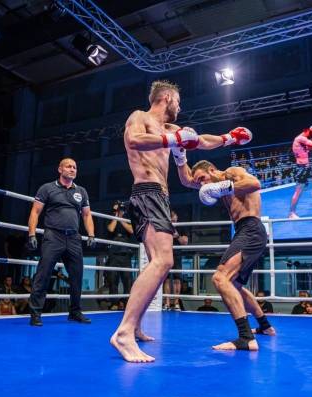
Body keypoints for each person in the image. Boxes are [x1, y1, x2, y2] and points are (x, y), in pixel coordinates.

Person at [110, 80, 253, 363]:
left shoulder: (172, 131)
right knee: (163, 261)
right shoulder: (140, 117)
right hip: (146, 192)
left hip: (159, 197)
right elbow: (134, 140)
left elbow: (200, 145)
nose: (180, 106)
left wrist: (229, 138)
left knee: (157, 265)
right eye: (178, 101)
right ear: (166, 97)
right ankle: (124, 333)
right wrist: (172, 140)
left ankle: (134, 326)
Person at [174, 158, 276, 352]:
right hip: (244, 231)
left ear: (212, 170)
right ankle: (265, 326)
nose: (202, 184)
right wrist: (180, 156)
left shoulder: (231, 173)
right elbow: (186, 181)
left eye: (203, 178)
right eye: (200, 181)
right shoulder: (211, 185)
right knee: (235, 284)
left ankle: (246, 338)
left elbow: (255, 183)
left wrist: (224, 188)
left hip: (251, 229)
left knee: (220, 278)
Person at [27, 158, 95, 327]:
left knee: (77, 276)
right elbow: (35, 212)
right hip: (53, 236)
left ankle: (75, 312)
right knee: (43, 274)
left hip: (73, 238)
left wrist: (91, 234)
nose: (72, 169)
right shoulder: (47, 188)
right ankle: (35, 313)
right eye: (68, 166)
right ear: (60, 169)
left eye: (75, 167)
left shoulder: (81, 191)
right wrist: (31, 234)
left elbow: (87, 215)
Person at [288, 125, 312, 219]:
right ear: (306, 130)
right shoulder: (300, 138)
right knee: (298, 191)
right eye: (310, 132)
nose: (310, 135)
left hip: (307, 166)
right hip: (302, 168)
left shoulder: (303, 140)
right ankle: (291, 213)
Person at [106, 200, 134, 303]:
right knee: (113, 280)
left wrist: (121, 219)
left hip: (126, 255)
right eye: (115, 210)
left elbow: (131, 230)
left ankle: (127, 303)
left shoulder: (127, 219)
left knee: (128, 281)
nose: (118, 211)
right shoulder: (110, 218)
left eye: (119, 209)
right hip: (114, 255)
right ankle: (114, 303)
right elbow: (111, 229)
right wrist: (116, 216)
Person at [163, 210, 188, 311]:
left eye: (175, 218)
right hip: (166, 253)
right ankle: (167, 303)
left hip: (177, 254)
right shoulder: (165, 226)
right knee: (167, 279)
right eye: (172, 219)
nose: (174, 220)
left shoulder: (181, 227)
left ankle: (176, 303)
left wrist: (177, 236)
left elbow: (185, 242)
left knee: (177, 279)